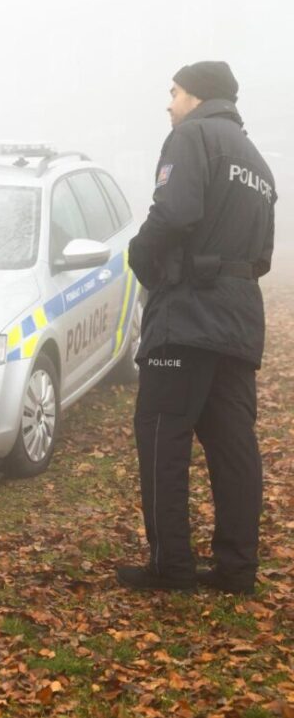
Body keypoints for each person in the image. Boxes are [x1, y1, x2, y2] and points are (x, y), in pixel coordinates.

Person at [116, 61, 277, 594]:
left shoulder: (191, 137)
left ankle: (172, 567)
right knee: (234, 448)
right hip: (239, 319)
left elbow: (175, 212)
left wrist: (139, 253)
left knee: (162, 436)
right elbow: (263, 255)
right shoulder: (257, 161)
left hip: (186, 316)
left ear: (198, 96)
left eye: (175, 91)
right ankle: (237, 569)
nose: (169, 103)